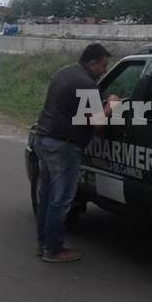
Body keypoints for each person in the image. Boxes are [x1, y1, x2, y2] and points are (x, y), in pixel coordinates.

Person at [33, 43, 112, 263]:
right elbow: (97, 123)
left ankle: (44, 244)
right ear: (92, 62)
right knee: (62, 199)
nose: (105, 70)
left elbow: (74, 107)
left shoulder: (65, 72)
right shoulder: (87, 85)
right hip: (64, 146)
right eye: (103, 66)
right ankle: (54, 250)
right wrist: (111, 106)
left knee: (47, 197)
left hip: (44, 138)